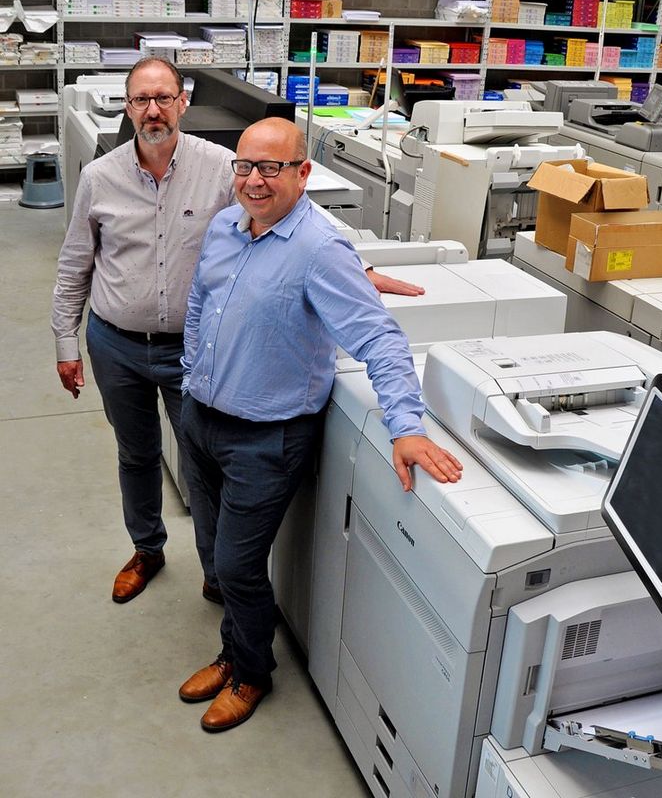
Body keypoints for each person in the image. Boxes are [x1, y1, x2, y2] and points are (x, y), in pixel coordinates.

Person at [51, 58, 425, 607]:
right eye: (140, 100)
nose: (152, 110)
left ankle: (218, 570)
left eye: (163, 98)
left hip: (193, 351)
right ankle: (147, 548)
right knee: (135, 454)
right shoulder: (99, 177)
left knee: (202, 470)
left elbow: (278, 221)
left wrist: (355, 269)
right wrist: (66, 343)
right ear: (127, 108)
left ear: (183, 101)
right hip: (117, 343)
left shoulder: (225, 167)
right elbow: (73, 266)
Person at [177, 117, 463, 732]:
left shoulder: (320, 249)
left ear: (302, 174)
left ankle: (251, 672)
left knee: (237, 566)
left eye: (271, 168)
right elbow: (201, 301)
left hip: (266, 438)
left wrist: (406, 427)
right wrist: (190, 373)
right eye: (244, 166)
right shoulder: (227, 226)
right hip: (200, 418)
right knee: (211, 548)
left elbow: (379, 340)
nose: (254, 180)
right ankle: (231, 653)